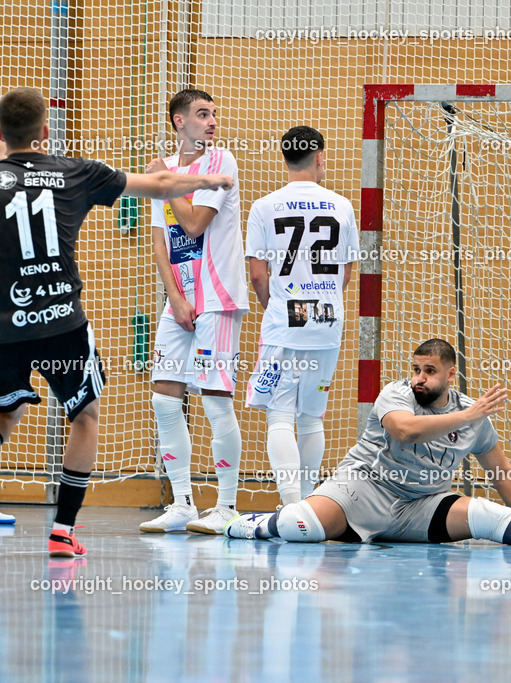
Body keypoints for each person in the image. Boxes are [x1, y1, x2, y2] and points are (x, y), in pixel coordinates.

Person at [0, 86, 234, 555]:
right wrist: (213, 182)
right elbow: (163, 186)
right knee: (84, 416)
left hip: (7, 324)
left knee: (6, 412)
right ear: (46, 132)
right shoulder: (75, 171)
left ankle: (218, 503)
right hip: (63, 322)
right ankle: (63, 530)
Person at [224, 339, 511, 548]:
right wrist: (469, 416)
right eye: (415, 369)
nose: (419, 378)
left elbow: (500, 470)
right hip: (362, 489)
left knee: (485, 513)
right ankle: (253, 524)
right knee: (301, 526)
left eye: (429, 371)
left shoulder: (472, 415)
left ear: (450, 374)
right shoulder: (396, 396)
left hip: (419, 506)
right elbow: (404, 431)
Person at [139, 89, 249, 535]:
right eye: (202, 114)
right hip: (179, 301)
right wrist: (175, 299)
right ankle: (182, 503)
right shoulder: (162, 171)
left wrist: (165, 181)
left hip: (218, 300)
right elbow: (161, 243)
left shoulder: (220, 162)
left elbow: (193, 224)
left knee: (214, 398)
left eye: (214, 114)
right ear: (178, 121)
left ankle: (225, 506)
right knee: (164, 397)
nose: (212, 122)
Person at [244, 126, 359, 505]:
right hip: (327, 321)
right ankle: (309, 503)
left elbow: (258, 274)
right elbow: (346, 271)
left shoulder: (264, 206)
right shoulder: (341, 205)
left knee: (280, 414)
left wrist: (275, 306)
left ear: (284, 158)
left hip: (284, 321)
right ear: (320, 157)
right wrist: (321, 304)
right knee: (312, 416)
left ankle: (291, 504)